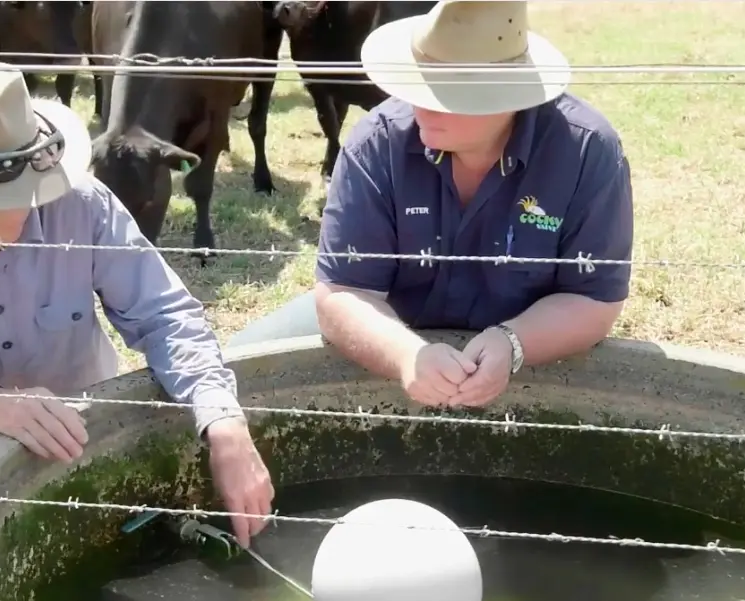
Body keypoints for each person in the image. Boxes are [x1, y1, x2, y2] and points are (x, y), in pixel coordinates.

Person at [0, 59, 273, 547]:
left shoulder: (84, 205)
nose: (20, 204)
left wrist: (223, 419)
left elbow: (167, 316)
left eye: (27, 185)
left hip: (79, 431)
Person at [231, 1, 633, 410]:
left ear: (508, 96)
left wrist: (512, 341)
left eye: (443, 91)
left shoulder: (586, 150)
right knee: (234, 371)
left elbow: (595, 298)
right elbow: (342, 294)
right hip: (393, 322)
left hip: (526, 332)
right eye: (417, 81)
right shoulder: (378, 142)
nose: (418, 104)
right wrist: (408, 355)